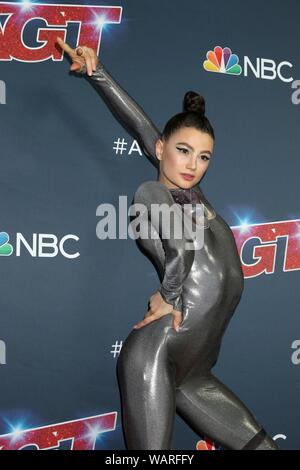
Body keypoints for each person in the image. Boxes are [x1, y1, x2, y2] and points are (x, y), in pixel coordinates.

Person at [56, 37, 279, 450]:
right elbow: (180, 248)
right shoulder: (153, 193)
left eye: (204, 157)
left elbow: (142, 128)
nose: (193, 165)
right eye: (182, 151)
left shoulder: (196, 200)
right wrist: (169, 292)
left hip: (196, 373)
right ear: (161, 150)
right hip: (156, 357)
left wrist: (98, 73)